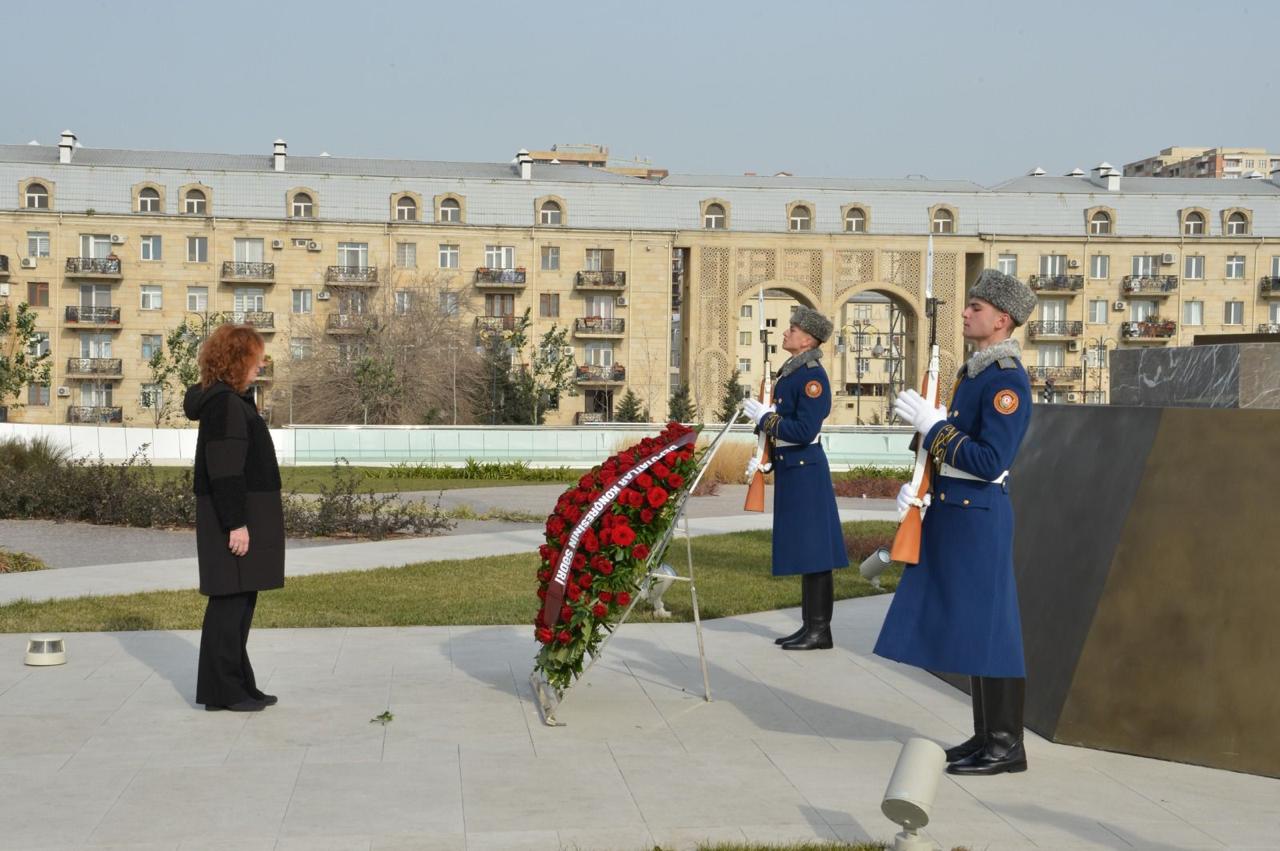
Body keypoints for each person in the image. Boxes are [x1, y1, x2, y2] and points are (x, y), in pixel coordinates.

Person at [874, 269, 1037, 776]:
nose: (966, 313)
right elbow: (951, 447)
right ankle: (987, 735)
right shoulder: (976, 373)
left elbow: (991, 460)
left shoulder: (1006, 379)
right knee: (974, 629)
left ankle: (1007, 745)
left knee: (995, 631)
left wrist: (935, 427)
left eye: (976, 308)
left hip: (980, 517)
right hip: (956, 511)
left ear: (1001, 319)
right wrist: (920, 485)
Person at [184, 324, 284, 712]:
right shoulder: (225, 405)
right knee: (229, 605)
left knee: (240, 604)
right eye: (256, 361)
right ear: (237, 361)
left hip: (239, 516)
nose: (260, 367)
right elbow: (225, 470)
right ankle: (225, 692)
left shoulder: (232, 401)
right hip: (232, 520)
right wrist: (236, 524)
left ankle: (238, 684)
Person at [743, 306, 849, 650]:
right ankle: (810, 626)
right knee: (808, 550)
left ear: (807, 339)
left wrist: (766, 420)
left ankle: (820, 629)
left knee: (816, 552)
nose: (785, 333)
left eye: (792, 329)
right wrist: (767, 460)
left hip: (806, 471)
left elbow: (804, 430)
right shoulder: (792, 374)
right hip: (794, 470)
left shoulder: (812, 377)